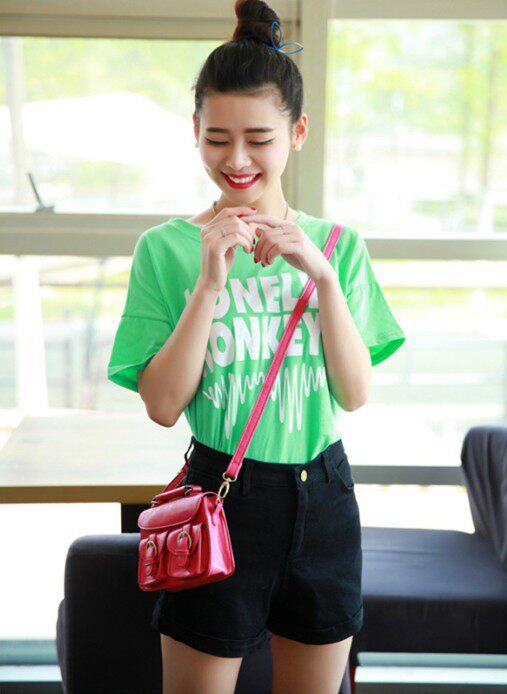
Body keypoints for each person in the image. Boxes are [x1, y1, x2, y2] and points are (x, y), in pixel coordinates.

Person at [107, 1, 406, 692]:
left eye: (258, 138)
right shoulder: (166, 249)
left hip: (323, 496)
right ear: (194, 132)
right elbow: (162, 406)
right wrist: (209, 283)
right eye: (217, 138)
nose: (236, 160)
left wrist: (322, 277)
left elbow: (354, 394)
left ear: (297, 133)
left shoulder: (339, 247)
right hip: (219, 496)